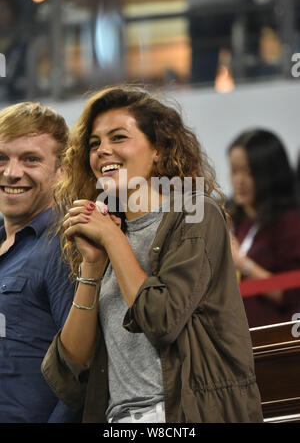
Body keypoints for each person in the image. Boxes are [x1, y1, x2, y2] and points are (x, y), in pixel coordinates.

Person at [42, 85, 263, 423]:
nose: (103, 151)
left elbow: (161, 320)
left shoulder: (195, 214)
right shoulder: (107, 232)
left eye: (118, 137)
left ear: (158, 148)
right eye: (94, 143)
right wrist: (91, 263)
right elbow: (69, 369)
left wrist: (113, 240)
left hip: (180, 414)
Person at [0, 102, 78, 422]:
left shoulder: (67, 246)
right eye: (2, 158)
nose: (12, 172)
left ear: (62, 170)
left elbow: (81, 371)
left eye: (31, 159)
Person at [228, 128, 300, 328]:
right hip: (239, 337)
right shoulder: (238, 220)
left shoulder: (288, 222)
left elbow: (289, 294)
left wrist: (243, 264)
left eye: (248, 172)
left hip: (276, 342)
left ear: (269, 173)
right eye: (234, 171)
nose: (239, 181)